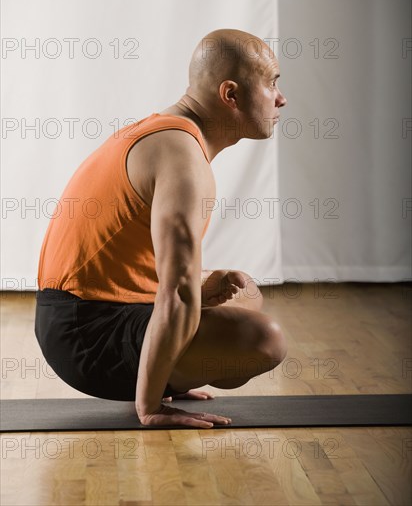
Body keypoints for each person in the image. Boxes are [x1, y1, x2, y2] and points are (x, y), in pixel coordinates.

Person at [35, 28, 288, 429]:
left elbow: (153, 273)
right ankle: (154, 383)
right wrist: (152, 407)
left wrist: (205, 287)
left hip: (94, 312)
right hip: (84, 336)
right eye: (272, 84)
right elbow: (177, 290)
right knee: (265, 339)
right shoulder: (182, 157)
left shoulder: (171, 134)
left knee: (244, 294)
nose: (280, 98)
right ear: (231, 95)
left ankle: (170, 368)